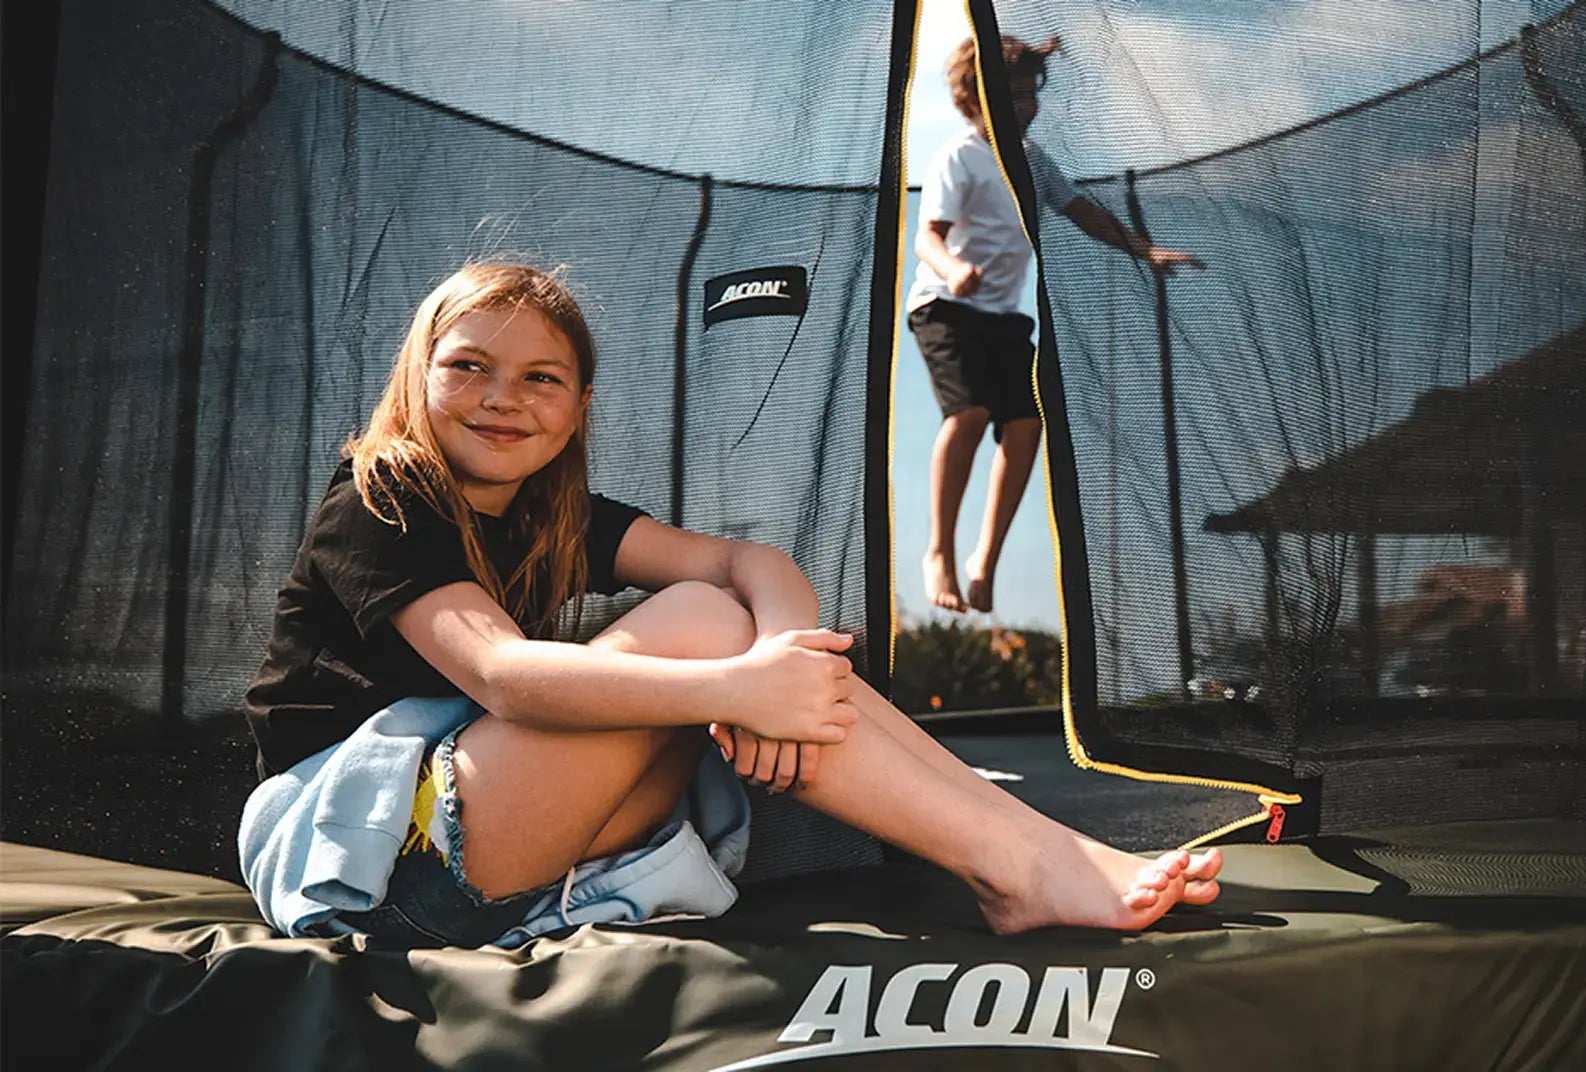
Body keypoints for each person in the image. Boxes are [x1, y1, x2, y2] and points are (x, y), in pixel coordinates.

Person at [237, 262, 1222, 949]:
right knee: (707, 623)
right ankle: (1017, 865)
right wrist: (740, 683)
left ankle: (1036, 850)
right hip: (374, 873)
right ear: (419, 372)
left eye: (541, 378)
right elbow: (504, 676)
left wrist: (782, 662)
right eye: (469, 366)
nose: (503, 398)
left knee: (729, 610)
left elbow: (750, 558)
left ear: (577, 407)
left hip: (511, 857)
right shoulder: (380, 494)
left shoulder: (551, 515)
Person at [910, 34, 1201, 615]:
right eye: (1009, 96)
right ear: (975, 100)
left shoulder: (1034, 160)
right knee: (968, 414)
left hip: (1004, 317)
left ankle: (984, 558)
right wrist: (954, 268)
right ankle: (939, 549)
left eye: (1028, 95)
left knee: (1024, 428)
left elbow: (1084, 212)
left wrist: (1144, 251)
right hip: (945, 306)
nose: (1024, 107)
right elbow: (928, 236)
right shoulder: (960, 155)